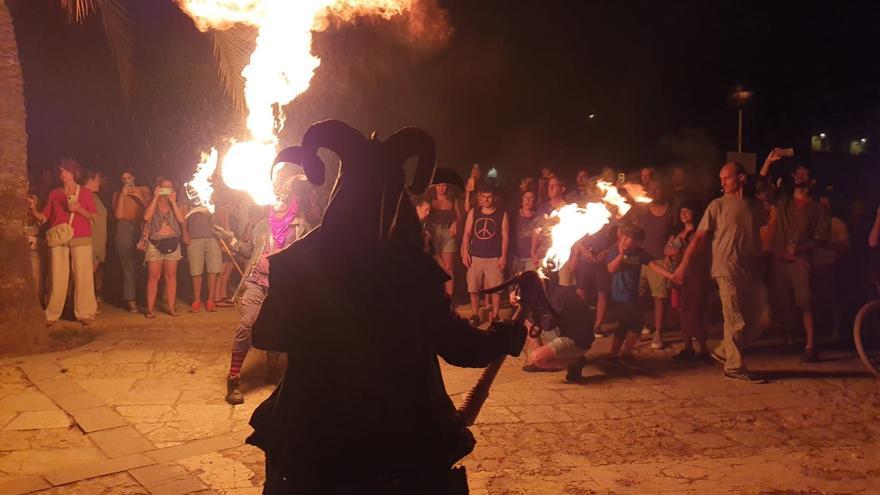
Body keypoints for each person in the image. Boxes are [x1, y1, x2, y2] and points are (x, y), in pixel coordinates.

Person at [245, 122, 527, 493]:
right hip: (398, 445)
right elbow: (460, 347)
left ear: (341, 192)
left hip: (312, 439)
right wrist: (503, 336)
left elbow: (267, 333)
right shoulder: (409, 269)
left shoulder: (302, 261)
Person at [216, 166, 309, 404]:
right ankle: (234, 378)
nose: (277, 201)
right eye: (275, 197)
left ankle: (273, 370)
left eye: (283, 197)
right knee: (247, 324)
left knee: (278, 326)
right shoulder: (261, 226)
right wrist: (230, 237)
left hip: (283, 287)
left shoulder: (301, 227)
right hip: (257, 282)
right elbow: (250, 251)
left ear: (291, 202)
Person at [674, 162, 769, 383]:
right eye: (721, 179)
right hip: (725, 268)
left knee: (762, 317)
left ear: (741, 178)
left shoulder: (754, 206)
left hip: (749, 270)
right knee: (735, 319)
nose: (723, 183)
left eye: (727, 178)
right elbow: (698, 238)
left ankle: (725, 349)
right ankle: (734, 367)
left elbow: (764, 192)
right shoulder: (716, 205)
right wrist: (683, 266)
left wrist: (768, 165)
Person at [759, 149, 830, 362]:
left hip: (800, 261)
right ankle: (786, 340)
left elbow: (822, 238)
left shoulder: (818, 209)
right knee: (781, 301)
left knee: (805, 302)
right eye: (797, 172)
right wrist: (768, 162)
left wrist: (799, 248)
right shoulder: (783, 200)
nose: (799, 175)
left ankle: (810, 345)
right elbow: (761, 188)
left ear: (812, 180)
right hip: (779, 259)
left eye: (804, 173)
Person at [28, 159, 98, 326]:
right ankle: (52, 314)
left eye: (65, 171)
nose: (62, 174)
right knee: (57, 276)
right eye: (60, 171)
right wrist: (33, 210)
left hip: (81, 237)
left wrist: (79, 209)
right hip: (59, 237)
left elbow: (94, 217)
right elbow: (44, 218)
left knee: (83, 276)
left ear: (74, 173)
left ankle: (85, 312)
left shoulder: (86, 194)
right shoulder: (54, 194)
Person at [605, 225, 670, 369]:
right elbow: (610, 269)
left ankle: (616, 355)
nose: (626, 241)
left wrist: (671, 276)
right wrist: (621, 255)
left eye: (631, 239)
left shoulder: (640, 253)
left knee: (629, 324)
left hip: (632, 294)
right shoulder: (615, 250)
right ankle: (622, 355)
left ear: (638, 243)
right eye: (625, 237)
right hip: (620, 295)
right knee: (633, 323)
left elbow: (653, 265)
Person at [664, 201, 711, 362]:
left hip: (695, 277)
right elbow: (667, 250)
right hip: (678, 277)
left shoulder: (701, 233)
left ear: (695, 213)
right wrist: (676, 252)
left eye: (687, 210)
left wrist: (678, 252)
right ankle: (688, 347)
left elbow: (694, 253)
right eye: (681, 211)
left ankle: (703, 349)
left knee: (694, 312)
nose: (683, 214)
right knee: (682, 312)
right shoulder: (679, 233)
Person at [633, 180, 675, 349]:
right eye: (652, 189)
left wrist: (670, 245)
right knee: (636, 296)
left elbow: (674, 232)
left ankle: (658, 333)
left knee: (660, 298)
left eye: (658, 188)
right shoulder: (642, 211)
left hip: (659, 260)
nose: (655, 192)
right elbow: (634, 231)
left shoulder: (669, 211)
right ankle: (638, 327)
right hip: (641, 259)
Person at [461, 183, 509, 325]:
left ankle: (495, 316)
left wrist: (504, 256)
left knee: (496, 288)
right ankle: (475, 315)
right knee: (473, 287)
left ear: (494, 198)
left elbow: (505, 237)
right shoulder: (474, 212)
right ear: (480, 198)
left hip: (494, 257)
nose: (486, 200)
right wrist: (465, 251)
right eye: (484, 197)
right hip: (475, 256)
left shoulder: (502, 214)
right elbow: (467, 233)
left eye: (489, 197)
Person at [143, 178, 185, 318]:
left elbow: (181, 220)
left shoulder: (175, 204)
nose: (166, 190)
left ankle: (171, 308)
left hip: (173, 242)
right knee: (153, 277)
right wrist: (155, 197)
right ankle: (150, 309)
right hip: (155, 243)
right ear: (158, 188)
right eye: (164, 187)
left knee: (171, 276)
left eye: (169, 187)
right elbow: (146, 217)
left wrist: (173, 202)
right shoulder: (152, 203)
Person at [112, 170, 151, 312]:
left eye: (128, 178)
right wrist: (122, 196)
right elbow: (118, 215)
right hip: (124, 227)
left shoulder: (144, 190)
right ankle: (130, 298)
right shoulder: (117, 194)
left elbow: (150, 209)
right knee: (128, 264)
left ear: (134, 177)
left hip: (141, 226)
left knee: (145, 263)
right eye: (123, 178)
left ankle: (146, 297)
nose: (126, 181)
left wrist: (139, 196)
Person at [182, 199, 222, 313]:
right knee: (196, 271)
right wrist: (185, 233)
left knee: (213, 270)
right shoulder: (188, 192)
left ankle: (210, 300)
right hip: (194, 237)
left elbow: (219, 214)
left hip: (212, 236)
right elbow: (183, 216)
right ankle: (197, 300)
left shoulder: (211, 192)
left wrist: (222, 235)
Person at [426, 182, 462, 297]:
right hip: (433, 232)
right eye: (438, 185)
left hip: (448, 232)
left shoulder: (452, 199)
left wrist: (455, 223)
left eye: (444, 185)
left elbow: (459, 216)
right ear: (434, 187)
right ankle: (436, 296)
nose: (441, 188)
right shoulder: (430, 199)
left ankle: (449, 298)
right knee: (434, 266)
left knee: (449, 267)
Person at [83, 170, 107, 304]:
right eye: (98, 179)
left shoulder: (94, 196)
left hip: (98, 243)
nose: (100, 182)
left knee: (88, 276)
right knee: (85, 276)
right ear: (91, 179)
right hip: (91, 242)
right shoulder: (85, 195)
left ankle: (84, 304)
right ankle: (81, 305)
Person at [512, 189, 539, 273]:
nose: (528, 200)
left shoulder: (538, 217)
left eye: (531, 198)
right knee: (515, 283)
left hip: (531, 258)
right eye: (526, 197)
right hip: (516, 257)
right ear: (522, 199)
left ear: (535, 201)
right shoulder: (514, 215)